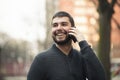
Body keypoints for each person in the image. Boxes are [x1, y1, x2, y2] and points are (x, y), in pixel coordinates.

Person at [27, 11, 106, 80]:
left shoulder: (81, 57)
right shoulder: (41, 60)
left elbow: (100, 78)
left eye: (64, 24)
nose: (58, 28)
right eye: (55, 25)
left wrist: (83, 42)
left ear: (73, 30)